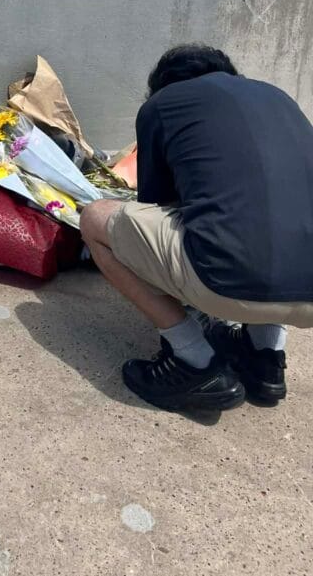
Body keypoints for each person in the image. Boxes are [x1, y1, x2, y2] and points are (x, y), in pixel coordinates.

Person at [80, 45, 313, 412]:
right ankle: (265, 358)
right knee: (271, 219)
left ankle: (193, 361)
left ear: (162, 86)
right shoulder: (279, 99)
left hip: (228, 282)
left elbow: (157, 205)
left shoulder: (163, 106)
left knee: (95, 218)